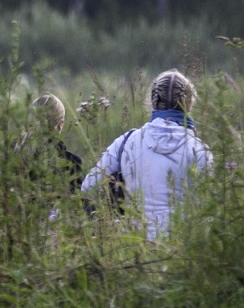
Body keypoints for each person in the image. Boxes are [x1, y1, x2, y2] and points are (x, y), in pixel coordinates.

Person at [80, 69, 214, 239]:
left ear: (153, 101)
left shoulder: (126, 141)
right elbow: (208, 209)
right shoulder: (200, 150)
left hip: (134, 244)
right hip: (181, 246)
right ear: (189, 104)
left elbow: (88, 187)